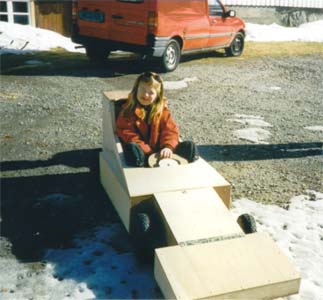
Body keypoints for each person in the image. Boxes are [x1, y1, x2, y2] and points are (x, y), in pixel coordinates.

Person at [116, 71, 198, 167]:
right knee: (133, 149)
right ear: (136, 90)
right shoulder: (127, 112)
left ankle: (182, 163)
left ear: (157, 96)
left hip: (162, 152)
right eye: (142, 90)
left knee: (189, 146)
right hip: (143, 153)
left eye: (151, 92)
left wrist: (167, 147)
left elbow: (170, 130)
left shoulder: (163, 111)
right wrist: (148, 151)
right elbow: (128, 134)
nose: (146, 95)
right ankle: (140, 162)